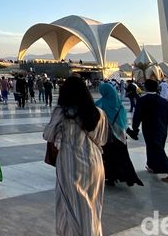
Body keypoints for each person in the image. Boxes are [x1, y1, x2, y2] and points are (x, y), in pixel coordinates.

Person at [43, 76, 109, 236]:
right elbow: (103, 140)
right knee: (92, 207)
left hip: (71, 164)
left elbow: (48, 135)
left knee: (72, 209)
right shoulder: (99, 114)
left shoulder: (62, 113)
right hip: (95, 163)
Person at [129, 79, 168, 182]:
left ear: (146, 87)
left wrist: (135, 128)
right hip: (162, 129)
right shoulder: (163, 101)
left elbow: (137, 116)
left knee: (157, 150)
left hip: (149, 129)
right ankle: (152, 166)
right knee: (154, 147)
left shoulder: (142, 100)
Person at [95, 82, 143, 187]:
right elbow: (124, 121)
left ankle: (111, 178)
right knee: (123, 157)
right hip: (120, 136)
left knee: (108, 157)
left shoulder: (100, 103)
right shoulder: (119, 105)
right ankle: (130, 178)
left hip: (107, 136)